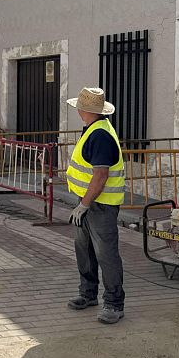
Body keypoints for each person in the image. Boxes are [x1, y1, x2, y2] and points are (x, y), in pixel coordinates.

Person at [65, 87, 126, 324]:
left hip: (99, 206)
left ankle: (114, 303)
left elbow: (100, 175)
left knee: (105, 254)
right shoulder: (94, 130)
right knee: (85, 250)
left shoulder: (100, 135)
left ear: (85, 110)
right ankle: (88, 294)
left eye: (79, 107)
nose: (78, 110)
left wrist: (84, 205)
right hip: (89, 203)